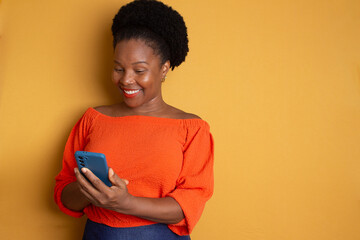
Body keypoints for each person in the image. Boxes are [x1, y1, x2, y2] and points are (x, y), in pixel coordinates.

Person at [54, 0, 214, 239]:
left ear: (164, 69)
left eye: (139, 71)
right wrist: (91, 190)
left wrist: (125, 202)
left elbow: (188, 206)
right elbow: (63, 194)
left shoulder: (192, 129)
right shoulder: (93, 119)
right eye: (118, 68)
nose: (126, 80)